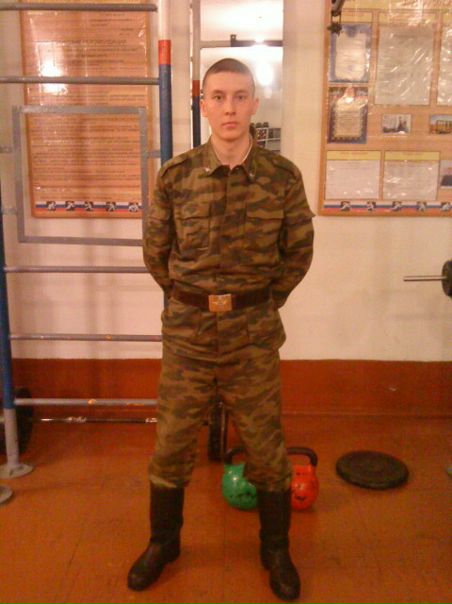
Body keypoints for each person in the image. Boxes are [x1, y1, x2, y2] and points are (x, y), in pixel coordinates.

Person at [128, 58, 314, 601]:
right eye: (218, 97)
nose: (229, 108)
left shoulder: (282, 177)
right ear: (203, 105)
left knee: (267, 449)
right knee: (171, 446)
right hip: (188, 339)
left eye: (239, 96)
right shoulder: (176, 175)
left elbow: (298, 253)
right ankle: (164, 543)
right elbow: (156, 254)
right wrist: (194, 302)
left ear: (254, 103)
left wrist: (259, 304)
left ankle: (275, 550)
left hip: (252, 339)